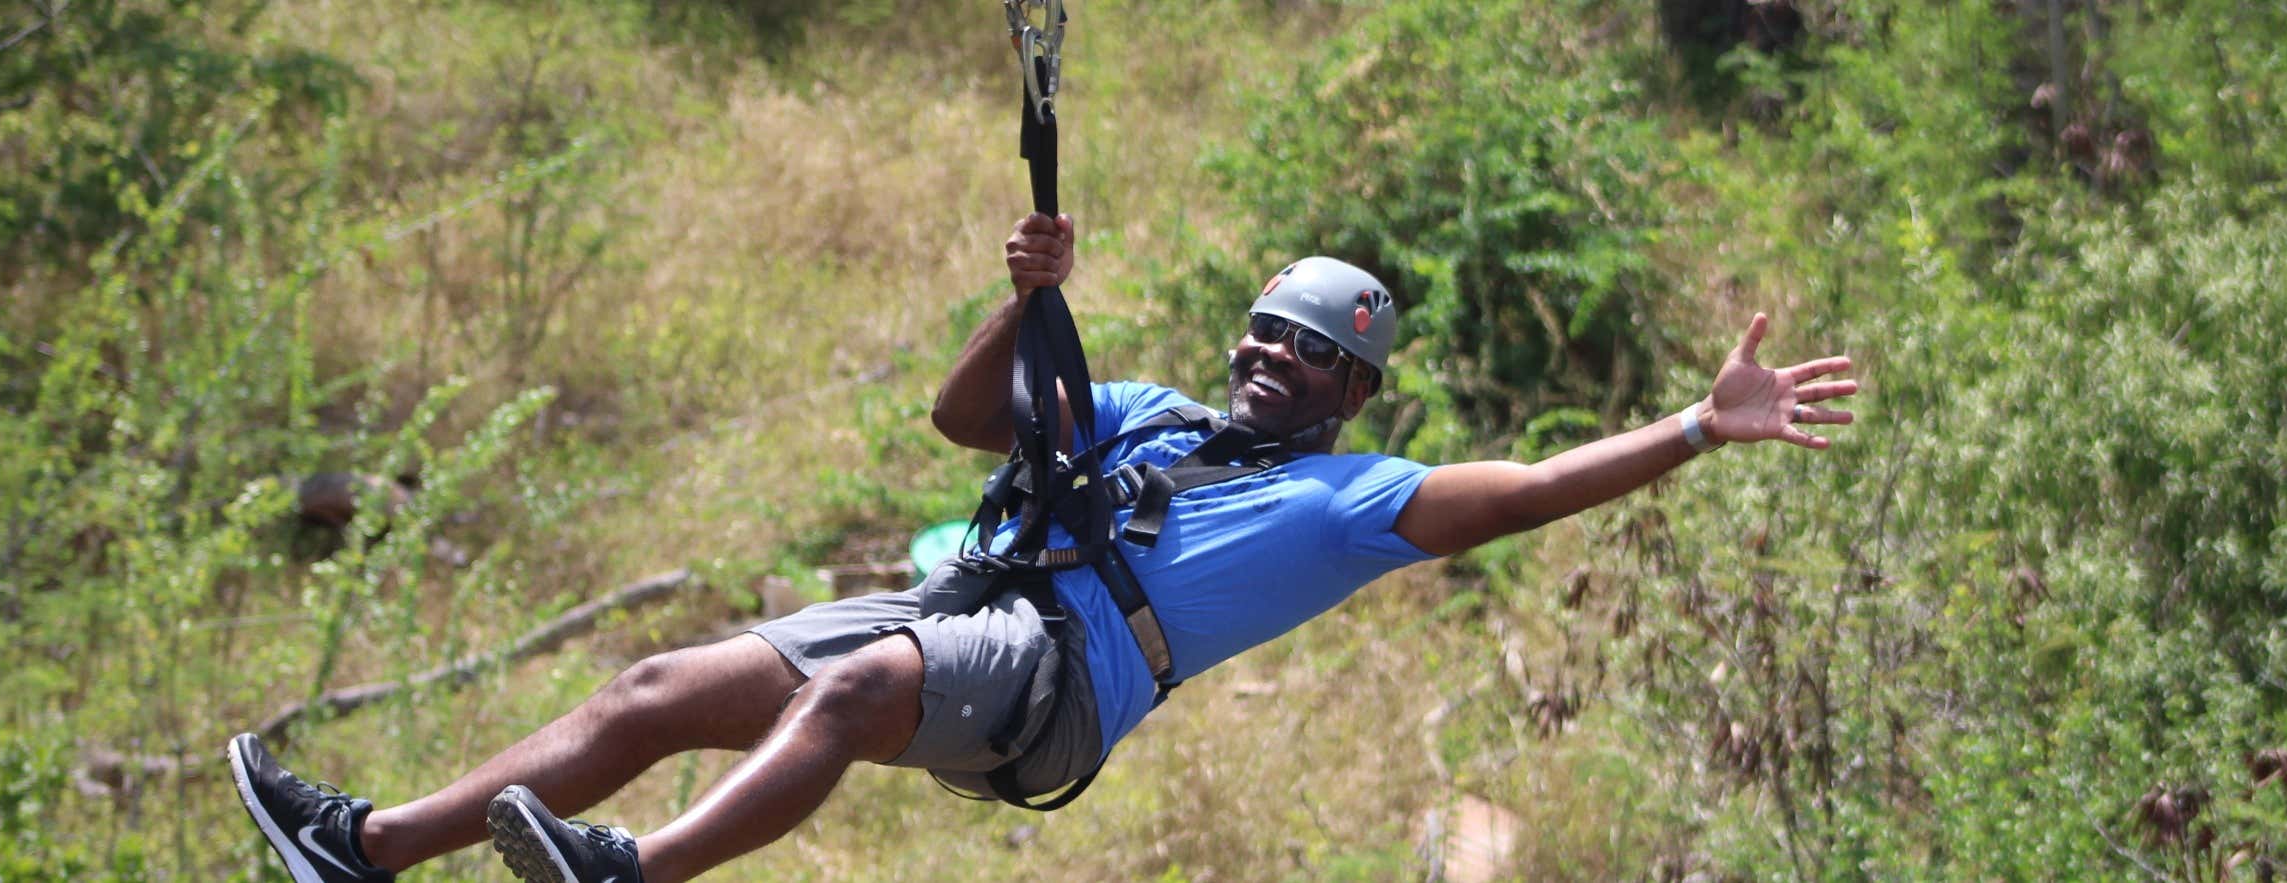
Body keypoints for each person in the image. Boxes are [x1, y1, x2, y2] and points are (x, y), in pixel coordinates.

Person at [225, 212, 1860, 883]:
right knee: (657, 681)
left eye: (1310, 354)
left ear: (1354, 391)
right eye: (1264, 333)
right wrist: (1028, 298)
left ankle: (634, 876)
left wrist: (1699, 430)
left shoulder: (1354, 500)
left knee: (867, 680)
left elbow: (1531, 487)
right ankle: (358, 852)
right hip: (967, 603)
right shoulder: (1134, 404)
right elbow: (963, 427)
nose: (1272, 358)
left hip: (1068, 680)